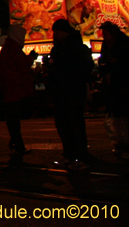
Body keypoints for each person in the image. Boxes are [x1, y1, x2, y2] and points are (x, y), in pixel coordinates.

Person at [46, 19, 94, 170]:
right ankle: (69, 154)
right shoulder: (58, 49)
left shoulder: (75, 48)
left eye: (57, 32)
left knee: (74, 125)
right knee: (63, 125)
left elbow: (83, 69)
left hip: (72, 92)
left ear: (65, 32)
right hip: (61, 92)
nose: (55, 35)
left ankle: (80, 156)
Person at [0, 24, 36, 155]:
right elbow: (22, 65)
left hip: (10, 88)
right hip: (14, 88)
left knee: (13, 117)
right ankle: (17, 142)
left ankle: (15, 142)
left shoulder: (8, 47)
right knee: (14, 117)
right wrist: (31, 58)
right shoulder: (13, 48)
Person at [100, 22, 129, 156]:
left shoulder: (123, 44)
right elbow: (104, 63)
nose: (103, 36)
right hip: (111, 84)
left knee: (122, 114)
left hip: (122, 84)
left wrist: (112, 64)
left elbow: (120, 64)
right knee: (115, 116)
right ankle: (119, 142)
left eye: (105, 34)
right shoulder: (105, 46)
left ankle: (124, 143)